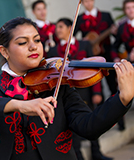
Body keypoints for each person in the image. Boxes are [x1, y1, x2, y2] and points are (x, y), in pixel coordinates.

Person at [0, 17, 134, 160]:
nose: (33, 47)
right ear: (4, 51)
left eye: (37, 40)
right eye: (23, 42)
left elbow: (89, 127)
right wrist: (19, 105)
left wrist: (122, 99)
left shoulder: (58, 85)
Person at [47, 18, 111, 160]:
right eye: (57, 27)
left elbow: (94, 69)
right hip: (66, 92)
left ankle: (97, 153)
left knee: (93, 121)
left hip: (86, 90)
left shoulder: (85, 44)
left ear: (70, 28)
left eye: (61, 27)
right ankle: (78, 156)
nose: (57, 30)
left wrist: (97, 92)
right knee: (71, 127)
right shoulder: (53, 50)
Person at [74, 0, 118, 96]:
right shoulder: (80, 18)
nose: (88, 3)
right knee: (94, 82)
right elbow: (73, 37)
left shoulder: (106, 15)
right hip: (91, 56)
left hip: (106, 53)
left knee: (112, 81)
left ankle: (115, 102)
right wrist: (83, 41)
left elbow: (116, 36)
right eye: (85, 1)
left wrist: (115, 32)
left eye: (90, 0)